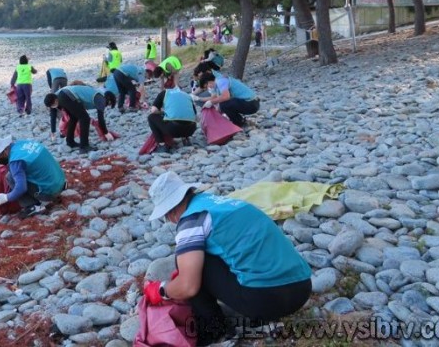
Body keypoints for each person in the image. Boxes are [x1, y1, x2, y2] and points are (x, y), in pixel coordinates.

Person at [143, 172, 312, 345]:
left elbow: (188, 286)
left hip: (268, 300)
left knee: (190, 262)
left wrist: (162, 290)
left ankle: (213, 330)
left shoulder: (191, 221)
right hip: (302, 288)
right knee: (204, 255)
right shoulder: (220, 203)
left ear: (170, 212)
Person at [0, 135, 67, 218]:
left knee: (10, 177)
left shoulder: (15, 161)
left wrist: (6, 197)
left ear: (4, 150)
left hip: (50, 191)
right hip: (61, 181)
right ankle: (56, 191)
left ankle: (34, 207)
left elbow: (21, 188)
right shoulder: (22, 143)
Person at [44, 84, 116, 153]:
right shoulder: (101, 99)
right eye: (109, 104)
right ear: (108, 99)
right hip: (67, 96)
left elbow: (53, 111)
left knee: (73, 118)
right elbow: (100, 118)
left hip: (64, 95)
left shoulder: (96, 94)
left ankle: (70, 142)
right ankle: (84, 146)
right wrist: (106, 133)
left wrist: (53, 131)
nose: (106, 106)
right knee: (85, 118)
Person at [148, 88, 197, 153]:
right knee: (184, 117)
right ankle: (186, 139)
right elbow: (194, 113)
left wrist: (162, 112)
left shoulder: (164, 93)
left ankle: (162, 145)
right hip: (191, 130)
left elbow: (153, 110)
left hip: (173, 130)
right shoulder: (187, 95)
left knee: (151, 117)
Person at [46, 68, 68, 141]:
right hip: (64, 78)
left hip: (55, 79)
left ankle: (64, 130)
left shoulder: (48, 71)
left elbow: (49, 80)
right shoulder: (60, 69)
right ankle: (65, 130)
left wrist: (51, 88)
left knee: (62, 113)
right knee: (65, 92)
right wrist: (53, 132)